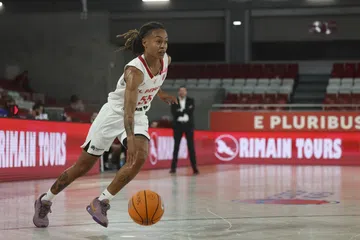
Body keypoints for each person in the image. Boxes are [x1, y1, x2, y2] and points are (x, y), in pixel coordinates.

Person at [32, 21, 177, 228]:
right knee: (83, 166)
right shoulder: (134, 72)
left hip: (139, 114)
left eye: (165, 41)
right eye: (158, 41)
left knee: (140, 157)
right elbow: (127, 110)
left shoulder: (165, 60)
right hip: (115, 115)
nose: (163, 46)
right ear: (145, 43)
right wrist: (131, 141)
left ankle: (101, 201)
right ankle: (45, 199)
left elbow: (155, 82)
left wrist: (160, 94)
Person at [170, 86, 199, 175]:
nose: (182, 92)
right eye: (181, 91)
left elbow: (191, 111)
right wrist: (184, 111)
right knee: (176, 147)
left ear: (186, 92)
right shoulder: (174, 101)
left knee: (191, 147)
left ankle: (194, 168)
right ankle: (173, 168)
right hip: (178, 126)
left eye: (184, 91)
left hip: (188, 126)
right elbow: (174, 113)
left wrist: (181, 111)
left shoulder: (191, 100)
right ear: (178, 92)